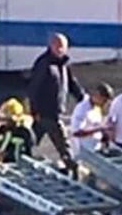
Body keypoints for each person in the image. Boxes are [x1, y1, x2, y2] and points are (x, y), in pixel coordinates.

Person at [27, 33, 85, 174]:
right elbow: (34, 88)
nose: (60, 49)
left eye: (63, 47)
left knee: (32, 138)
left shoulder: (63, 64)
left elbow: (72, 83)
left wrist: (83, 98)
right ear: (51, 46)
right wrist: (34, 110)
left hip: (56, 111)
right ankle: (73, 168)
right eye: (57, 46)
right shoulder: (44, 64)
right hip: (46, 112)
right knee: (62, 142)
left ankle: (22, 156)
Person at [71, 83, 114, 158]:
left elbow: (97, 127)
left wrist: (105, 136)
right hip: (83, 152)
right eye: (104, 101)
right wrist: (100, 128)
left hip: (95, 150)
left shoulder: (97, 108)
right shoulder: (82, 108)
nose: (104, 104)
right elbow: (76, 132)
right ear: (98, 96)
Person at [0, 98, 36, 164]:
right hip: (4, 166)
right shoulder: (2, 129)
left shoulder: (24, 132)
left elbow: (31, 151)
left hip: (20, 166)